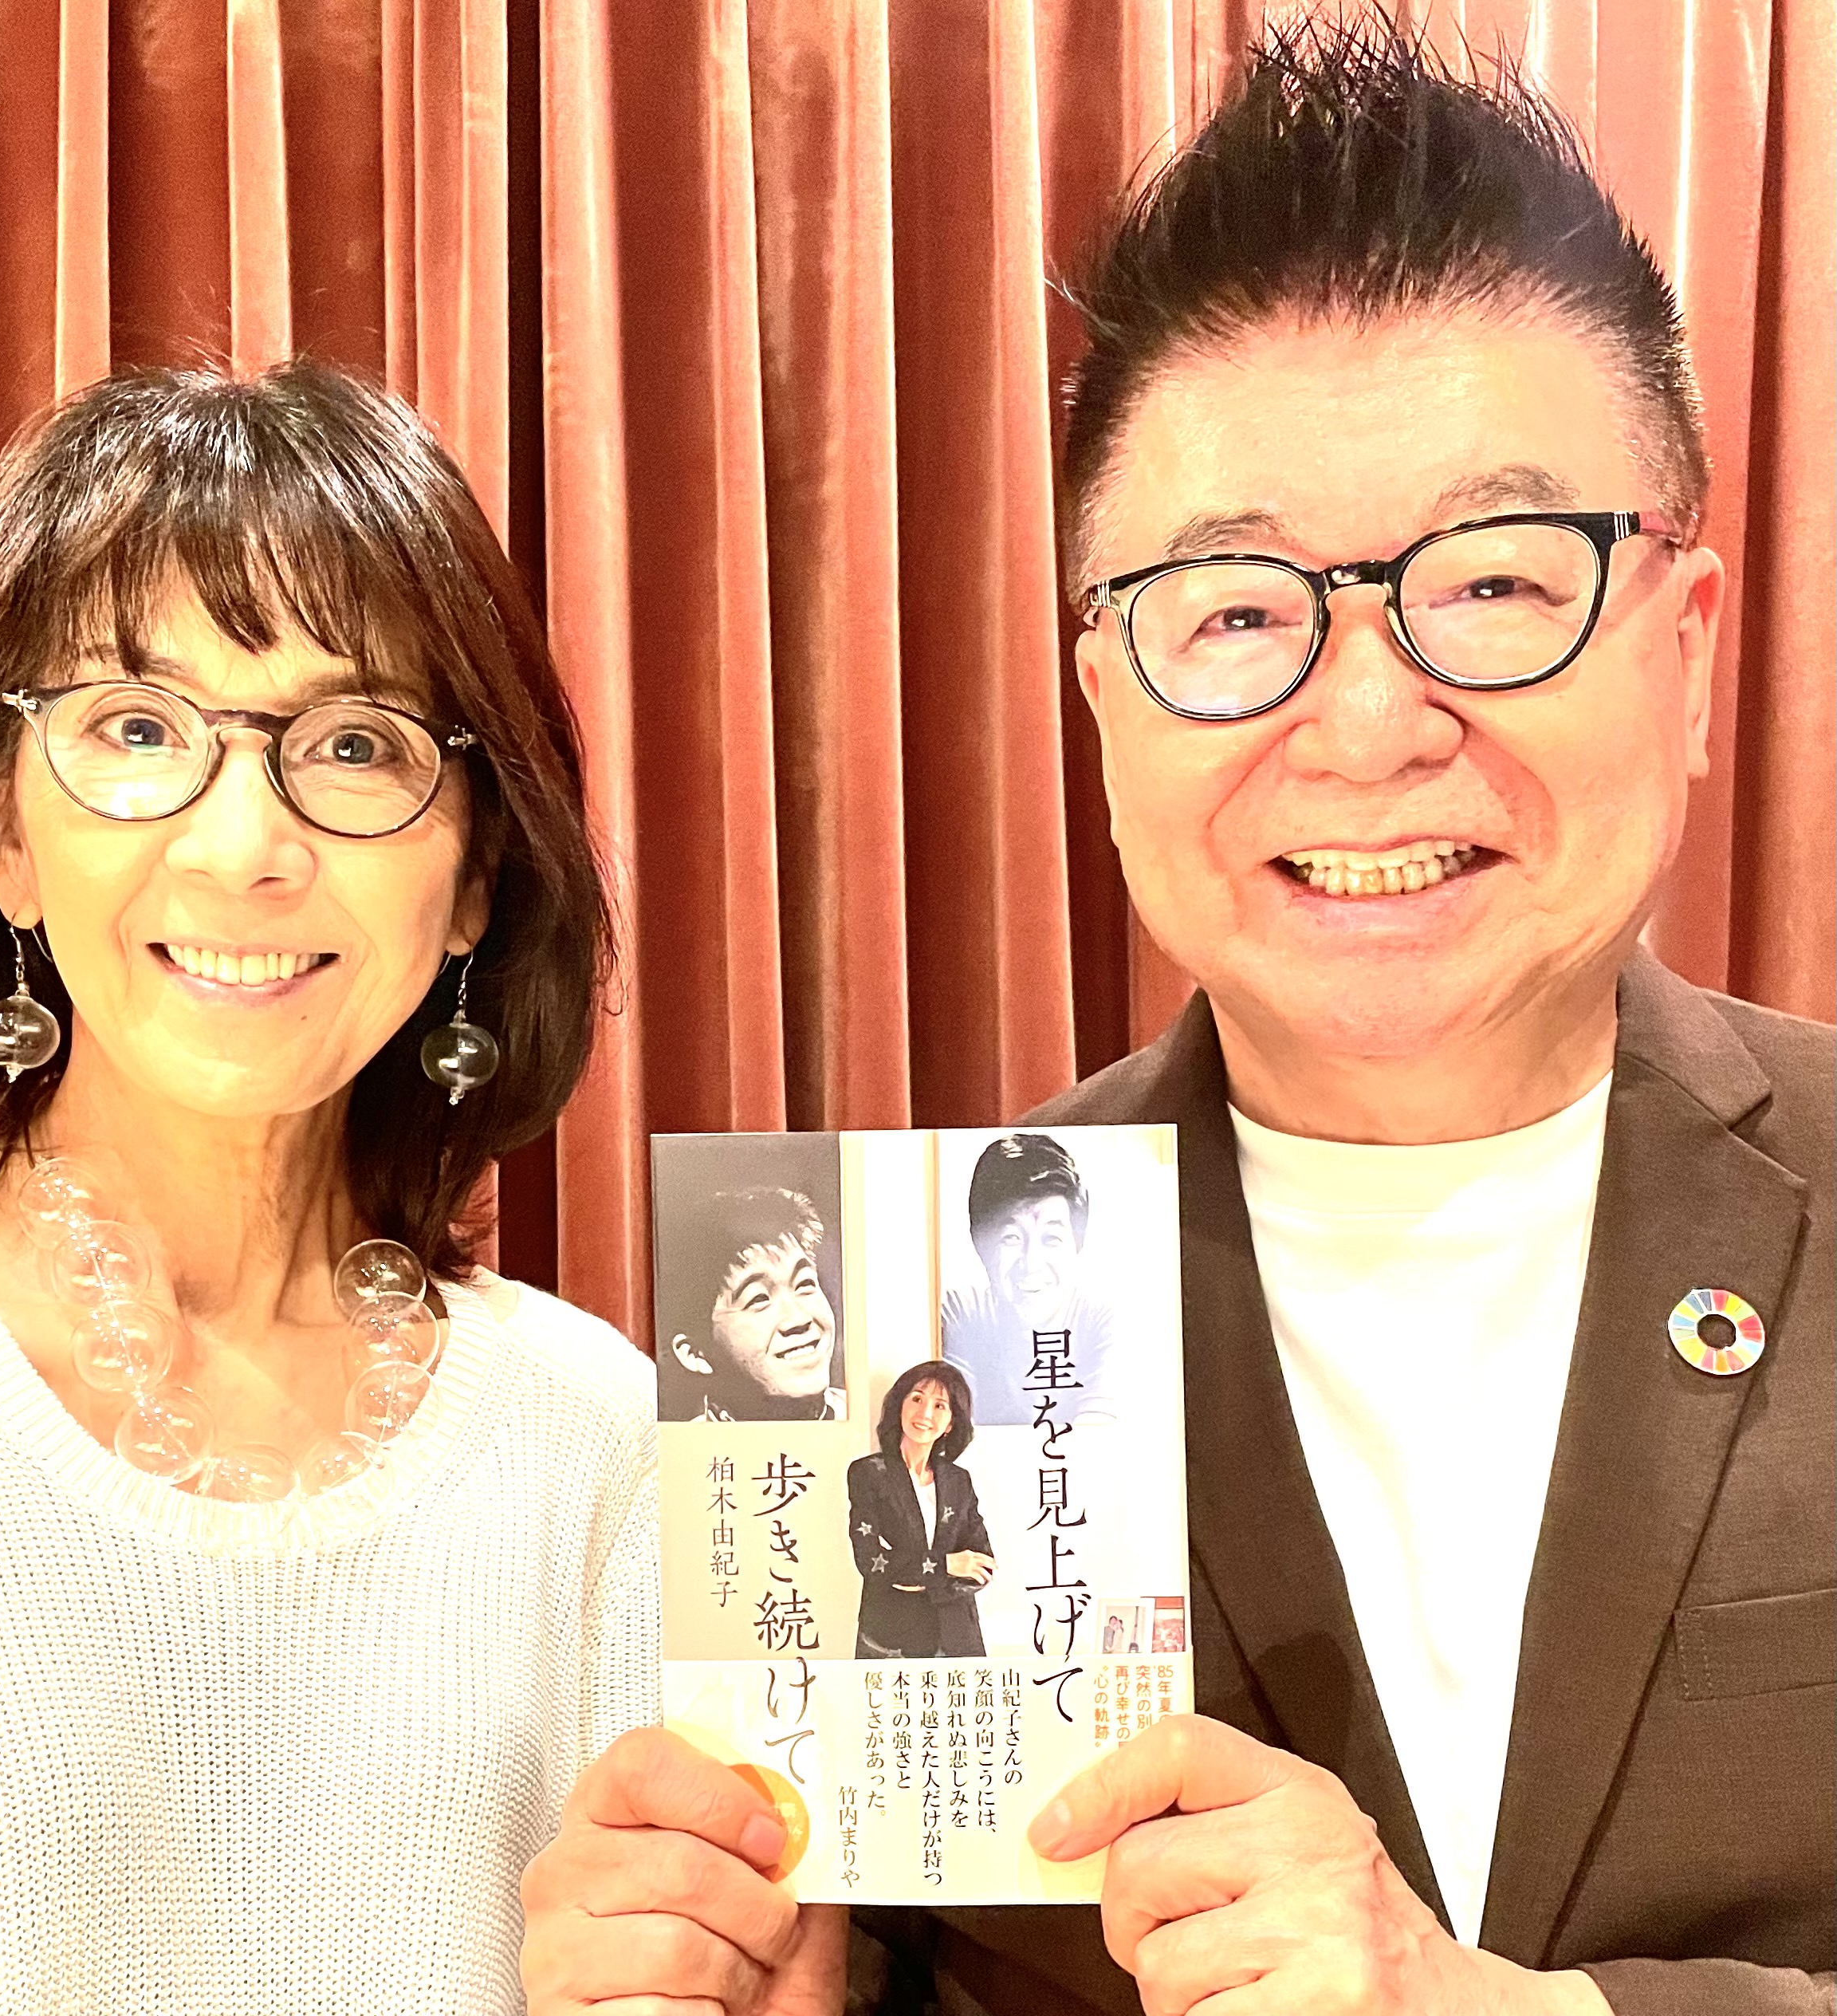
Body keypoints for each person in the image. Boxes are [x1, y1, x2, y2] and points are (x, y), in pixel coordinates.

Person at [522, 20, 1831, 2016]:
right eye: (1230, 612)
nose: (1365, 725)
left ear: (1685, 646)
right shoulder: (915, 1308)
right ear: (1100, 697)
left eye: (1493, 586)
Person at [0, 360, 655, 2011]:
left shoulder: (596, 1441)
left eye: (356, 743)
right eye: (136, 728)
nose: (244, 847)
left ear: (473, 874)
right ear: (7, 838)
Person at [942, 1131, 1119, 1423]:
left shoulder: (1102, 1318)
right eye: (1011, 1237)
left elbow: (1099, 1434)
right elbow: (951, 1428)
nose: (1031, 1264)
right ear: (981, 1245)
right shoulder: (962, 1312)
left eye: (1051, 1239)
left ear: (1077, 1244)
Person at [657, 1184, 848, 1421]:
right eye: (759, 1299)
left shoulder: (869, 1419)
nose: (799, 1319)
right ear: (696, 1353)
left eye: (804, 1284)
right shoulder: (681, 1443)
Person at [846, 1360, 997, 1657]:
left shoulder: (958, 1480)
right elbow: (871, 1561)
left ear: (951, 1423)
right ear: (900, 1406)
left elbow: (983, 1564)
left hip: (957, 1637)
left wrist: (911, 1576)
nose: (925, 1413)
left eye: (940, 1406)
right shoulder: (868, 1474)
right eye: (917, 1399)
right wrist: (947, 1565)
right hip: (890, 1638)